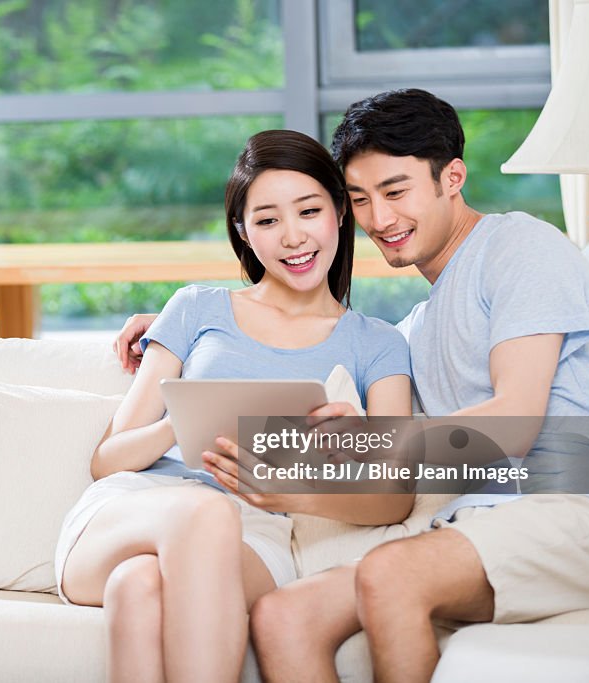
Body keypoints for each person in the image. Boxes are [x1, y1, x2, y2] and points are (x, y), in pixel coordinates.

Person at [114, 89, 589, 683]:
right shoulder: (413, 330)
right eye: (362, 199)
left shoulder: (518, 246)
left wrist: (373, 445)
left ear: (452, 176)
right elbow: (317, 339)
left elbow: (515, 423)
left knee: (389, 573)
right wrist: (167, 325)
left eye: (396, 192)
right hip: (475, 527)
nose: (381, 219)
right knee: (286, 615)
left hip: (584, 510)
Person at [55, 129, 414, 683]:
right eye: (268, 220)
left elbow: (396, 498)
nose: (293, 237)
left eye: (309, 210)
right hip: (136, 509)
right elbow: (107, 461)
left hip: (258, 532)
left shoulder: (379, 343)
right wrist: (184, 422)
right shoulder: (196, 308)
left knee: (139, 586)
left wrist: (322, 469)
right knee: (203, 511)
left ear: (340, 212)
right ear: (244, 234)